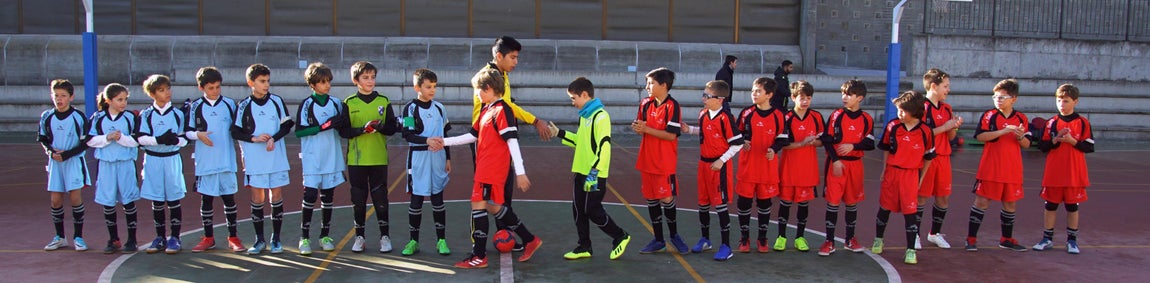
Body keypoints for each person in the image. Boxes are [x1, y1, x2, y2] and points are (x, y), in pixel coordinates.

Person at [439, 68, 543, 268]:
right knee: (492, 207)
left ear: (487, 88)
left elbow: (512, 141)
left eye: (477, 90)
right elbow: (472, 136)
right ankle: (529, 239)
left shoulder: (502, 110)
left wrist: (520, 172)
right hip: (484, 167)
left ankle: (479, 256)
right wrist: (443, 142)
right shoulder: (486, 110)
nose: (476, 94)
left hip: (492, 169)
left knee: (478, 205)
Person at [474, 36, 552, 250]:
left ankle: (504, 236)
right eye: (513, 57)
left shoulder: (503, 75)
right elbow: (507, 107)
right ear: (499, 56)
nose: (516, 62)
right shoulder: (486, 78)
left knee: (501, 194)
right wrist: (534, 120)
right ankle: (477, 244)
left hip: (498, 143)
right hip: (487, 144)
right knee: (483, 197)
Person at [545, 77, 632, 260]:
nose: (572, 102)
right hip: (580, 171)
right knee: (578, 210)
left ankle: (620, 236)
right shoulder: (585, 116)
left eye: (574, 98)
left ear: (585, 95)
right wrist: (559, 133)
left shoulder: (601, 116)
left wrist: (594, 172)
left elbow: (604, 147)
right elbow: (580, 142)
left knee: (592, 209)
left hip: (593, 174)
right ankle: (584, 246)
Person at [336, 61, 400, 253]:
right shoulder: (349, 103)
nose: (370, 81)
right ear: (356, 80)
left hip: (378, 158)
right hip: (356, 160)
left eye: (372, 77)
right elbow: (344, 131)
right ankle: (360, 237)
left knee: (380, 198)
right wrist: (362, 130)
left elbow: (392, 128)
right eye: (365, 77)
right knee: (358, 199)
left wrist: (380, 127)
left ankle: (384, 237)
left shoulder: (383, 101)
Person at [232, 64, 295, 254]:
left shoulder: (276, 101)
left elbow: (287, 125)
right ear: (251, 83)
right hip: (254, 160)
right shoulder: (244, 105)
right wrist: (254, 138)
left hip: (276, 157)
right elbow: (235, 131)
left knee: (276, 196)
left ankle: (276, 239)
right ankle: (259, 240)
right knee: (257, 197)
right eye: (262, 81)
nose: (266, 84)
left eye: (268, 81)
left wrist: (273, 138)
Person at [964, 79, 1031, 252]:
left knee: (1010, 204)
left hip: (1012, 169)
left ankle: (1006, 239)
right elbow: (980, 137)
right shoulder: (989, 115)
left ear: (1013, 99)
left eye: (1002, 97)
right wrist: (1003, 131)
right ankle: (971, 239)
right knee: (981, 202)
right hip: (990, 168)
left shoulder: (1021, 118)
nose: (997, 100)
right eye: (995, 97)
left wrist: (1019, 136)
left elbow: (1027, 144)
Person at [682, 80, 745, 261]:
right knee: (703, 203)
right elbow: (705, 131)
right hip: (704, 164)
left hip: (719, 167)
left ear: (720, 99)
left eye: (707, 96)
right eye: (703, 95)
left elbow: (738, 143)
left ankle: (726, 245)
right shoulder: (703, 114)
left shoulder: (726, 118)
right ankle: (705, 239)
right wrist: (689, 129)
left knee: (720, 205)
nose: (703, 98)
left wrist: (721, 160)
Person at [185, 67, 246, 253]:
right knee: (207, 200)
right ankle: (208, 237)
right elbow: (187, 132)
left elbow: (238, 130)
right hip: (206, 163)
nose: (215, 91)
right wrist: (198, 135)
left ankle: (233, 237)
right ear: (201, 87)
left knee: (229, 199)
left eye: (218, 87)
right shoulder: (195, 106)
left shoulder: (229, 104)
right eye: (210, 88)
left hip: (226, 161)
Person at [872, 91, 936, 265]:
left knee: (910, 212)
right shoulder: (893, 126)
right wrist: (884, 169)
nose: (899, 113)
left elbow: (929, 157)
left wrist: (921, 178)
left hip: (911, 174)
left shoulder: (925, 131)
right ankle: (878, 239)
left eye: (903, 110)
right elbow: (886, 148)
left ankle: (910, 249)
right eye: (898, 109)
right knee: (884, 207)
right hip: (892, 172)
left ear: (914, 111)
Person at [632, 67, 690, 255]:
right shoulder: (645, 103)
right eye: (647, 83)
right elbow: (641, 127)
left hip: (664, 161)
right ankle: (658, 240)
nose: (647, 86)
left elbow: (671, 135)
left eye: (651, 83)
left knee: (666, 198)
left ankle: (674, 235)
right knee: (651, 198)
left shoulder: (673, 106)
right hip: (646, 158)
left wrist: (646, 129)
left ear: (663, 85)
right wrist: (638, 128)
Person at [818, 79, 876, 256]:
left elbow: (870, 143)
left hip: (855, 165)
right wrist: (835, 160)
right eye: (843, 93)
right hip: (837, 164)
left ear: (860, 98)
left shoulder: (866, 119)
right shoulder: (836, 116)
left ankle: (850, 239)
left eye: (849, 94)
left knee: (852, 202)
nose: (844, 97)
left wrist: (853, 146)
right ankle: (829, 241)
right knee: (833, 202)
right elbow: (827, 140)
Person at [1032, 84, 1093, 254]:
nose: (1061, 104)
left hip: (1074, 172)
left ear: (1075, 102)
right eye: (1059, 100)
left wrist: (1072, 141)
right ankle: (1047, 238)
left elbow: (1089, 147)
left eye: (1066, 101)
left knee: (1072, 206)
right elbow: (1042, 146)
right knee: (1050, 205)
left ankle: (1072, 241)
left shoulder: (1083, 122)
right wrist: (1056, 140)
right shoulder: (1051, 123)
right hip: (1054, 172)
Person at [293, 63, 346, 255]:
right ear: (313, 84)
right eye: (323, 82)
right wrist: (324, 126)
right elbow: (299, 132)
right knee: (309, 196)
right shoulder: (307, 104)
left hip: (331, 157)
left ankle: (325, 235)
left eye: (328, 81)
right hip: (313, 158)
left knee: (328, 197)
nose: (327, 85)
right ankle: (304, 237)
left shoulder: (337, 103)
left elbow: (344, 128)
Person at [399, 68, 453, 256]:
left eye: (434, 87)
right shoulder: (409, 108)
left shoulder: (439, 108)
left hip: (438, 158)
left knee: (438, 198)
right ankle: (413, 241)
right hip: (418, 159)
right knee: (417, 200)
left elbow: (445, 135)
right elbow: (407, 135)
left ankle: (441, 240)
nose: (432, 90)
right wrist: (426, 140)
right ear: (417, 88)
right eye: (428, 87)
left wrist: (448, 157)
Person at [731, 78, 787, 254]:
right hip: (747, 168)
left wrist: (774, 149)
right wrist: (743, 140)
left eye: (758, 91)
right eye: (753, 90)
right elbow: (735, 133)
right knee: (744, 203)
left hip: (767, 169)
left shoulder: (778, 115)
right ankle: (744, 238)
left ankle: (762, 238)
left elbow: (783, 138)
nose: (754, 94)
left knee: (764, 204)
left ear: (769, 95)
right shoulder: (746, 113)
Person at [135, 74, 189, 254]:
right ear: (152, 94)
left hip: (172, 159)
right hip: (153, 160)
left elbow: (185, 139)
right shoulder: (146, 114)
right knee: (157, 199)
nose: (167, 93)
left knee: (174, 198)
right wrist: (159, 139)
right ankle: (159, 237)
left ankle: (175, 237)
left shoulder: (178, 114)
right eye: (161, 90)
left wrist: (175, 141)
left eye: (168, 89)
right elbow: (141, 138)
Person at [38, 79, 92, 251]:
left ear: (71, 97)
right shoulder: (47, 116)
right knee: (55, 200)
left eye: (63, 95)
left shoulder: (78, 117)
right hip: (55, 163)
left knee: (75, 199)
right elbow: (43, 139)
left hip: (73, 161)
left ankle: (78, 237)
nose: (59, 99)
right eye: (56, 95)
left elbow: (86, 142)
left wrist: (67, 154)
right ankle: (60, 237)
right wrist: (51, 152)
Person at [87, 84, 140, 254]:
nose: (123, 103)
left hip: (125, 163)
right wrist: (107, 137)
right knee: (108, 201)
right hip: (106, 164)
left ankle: (132, 239)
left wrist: (121, 138)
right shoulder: (98, 118)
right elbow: (89, 140)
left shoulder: (130, 118)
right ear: (109, 100)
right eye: (119, 99)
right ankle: (113, 238)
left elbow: (137, 140)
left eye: (125, 99)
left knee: (128, 201)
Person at [917, 68, 963, 249]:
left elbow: (951, 137)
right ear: (934, 86)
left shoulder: (947, 108)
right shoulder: (920, 107)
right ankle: (914, 234)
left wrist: (954, 126)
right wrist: (944, 127)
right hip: (926, 158)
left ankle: (934, 233)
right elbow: (920, 135)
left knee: (943, 197)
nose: (948, 90)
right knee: (921, 197)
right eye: (945, 86)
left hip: (943, 157)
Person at [775, 80, 823, 252]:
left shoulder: (816, 117)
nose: (805, 101)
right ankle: (781, 237)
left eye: (808, 98)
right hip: (789, 168)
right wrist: (802, 143)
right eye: (802, 98)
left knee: (803, 205)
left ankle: (800, 237)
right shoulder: (786, 118)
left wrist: (814, 142)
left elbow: (822, 142)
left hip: (807, 170)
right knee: (785, 204)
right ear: (793, 97)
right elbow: (783, 145)